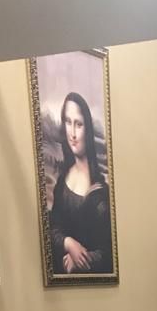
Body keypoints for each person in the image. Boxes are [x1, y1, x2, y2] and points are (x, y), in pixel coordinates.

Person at [49, 92, 113, 274]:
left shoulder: (101, 190)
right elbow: (53, 228)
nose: (73, 133)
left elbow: (109, 250)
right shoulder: (62, 182)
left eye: (79, 124)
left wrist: (81, 259)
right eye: (68, 122)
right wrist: (69, 243)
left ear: (88, 129)